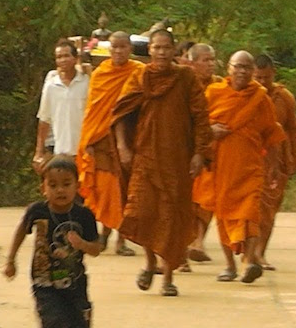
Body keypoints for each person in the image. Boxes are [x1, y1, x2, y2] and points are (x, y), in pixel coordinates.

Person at [112, 29, 212, 296]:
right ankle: (150, 262)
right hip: (145, 157)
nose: (162, 53)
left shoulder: (186, 78)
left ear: (174, 50)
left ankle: (168, 277)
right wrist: (123, 146)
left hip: (178, 160)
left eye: (166, 48)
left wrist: (199, 153)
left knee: (173, 219)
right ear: (150, 51)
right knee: (142, 213)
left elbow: (201, 117)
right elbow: (121, 112)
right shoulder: (140, 77)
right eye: (157, 48)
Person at [4, 156, 102, 328]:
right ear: (44, 188)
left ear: (77, 186)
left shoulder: (84, 216)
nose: (60, 190)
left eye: (66, 184)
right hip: (45, 283)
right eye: (53, 185)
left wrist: (82, 245)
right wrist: (10, 260)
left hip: (76, 284)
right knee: (56, 327)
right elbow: (21, 231)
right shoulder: (37, 211)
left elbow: (97, 248)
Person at [206, 51, 286, 284]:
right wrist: (211, 130)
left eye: (246, 68)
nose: (242, 72)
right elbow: (197, 124)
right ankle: (230, 265)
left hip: (251, 165)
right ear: (228, 68)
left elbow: (272, 133)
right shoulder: (214, 92)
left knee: (251, 214)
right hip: (222, 165)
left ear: (253, 71)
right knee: (224, 216)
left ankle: (249, 262)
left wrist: (273, 165)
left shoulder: (260, 97)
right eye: (237, 66)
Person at [76, 32, 145, 256]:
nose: (118, 52)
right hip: (102, 140)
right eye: (114, 47)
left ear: (130, 49)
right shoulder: (100, 74)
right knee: (107, 190)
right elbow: (92, 109)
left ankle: (120, 241)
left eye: (123, 47)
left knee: (125, 190)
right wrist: (87, 140)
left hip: (129, 138)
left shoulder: (138, 72)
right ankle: (104, 234)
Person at [252, 54, 296, 271]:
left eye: (265, 77)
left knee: (268, 210)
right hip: (247, 158)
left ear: (273, 73)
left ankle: (260, 253)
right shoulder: (243, 95)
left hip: (275, 160)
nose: (262, 82)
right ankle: (247, 252)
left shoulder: (284, 97)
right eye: (258, 78)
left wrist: (293, 156)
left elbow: (292, 129)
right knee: (247, 208)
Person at [184, 43, 221, 269]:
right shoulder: (185, 84)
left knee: (207, 198)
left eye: (212, 60)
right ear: (193, 63)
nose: (210, 64)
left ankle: (198, 242)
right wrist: (209, 129)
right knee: (186, 202)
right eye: (205, 60)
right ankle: (183, 248)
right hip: (186, 149)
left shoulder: (220, 86)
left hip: (211, 153)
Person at [33, 40, 90, 173]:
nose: (63, 60)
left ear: (75, 58)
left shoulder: (87, 83)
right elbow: (44, 120)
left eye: (66, 56)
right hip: (61, 152)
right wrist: (39, 152)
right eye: (59, 57)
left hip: (84, 151)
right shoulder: (51, 86)